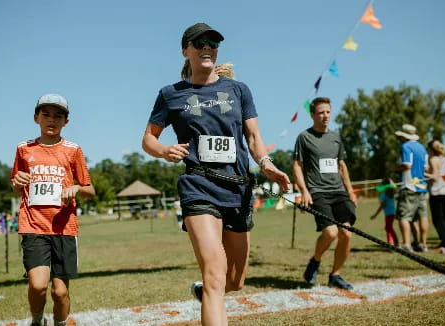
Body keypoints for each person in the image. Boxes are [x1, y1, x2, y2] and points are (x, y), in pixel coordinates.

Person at [142, 22, 290, 325]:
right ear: (186, 51)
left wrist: (267, 164)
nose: (207, 46)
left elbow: (253, 138)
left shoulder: (238, 90)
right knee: (214, 276)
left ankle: (207, 293)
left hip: (238, 189)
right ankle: (209, 291)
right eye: (199, 43)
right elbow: (148, 138)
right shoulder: (171, 94)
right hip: (198, 187)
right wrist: (164, 151)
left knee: (235, 281)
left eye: (212, 42)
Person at [10, 94, 95, 326]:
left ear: (66, 122)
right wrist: (17, 182)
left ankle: (60, 323)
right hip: (33, 224)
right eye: (46, 114)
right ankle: (37, 321)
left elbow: (90, 189)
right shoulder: (23, 148)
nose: (51, 120)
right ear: (36, 117)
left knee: (59, 292)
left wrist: (76, 188)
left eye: (58, 116)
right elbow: (17, 186)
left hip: (64, 227)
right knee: (37, 285)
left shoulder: (73, 150)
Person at [292, 97, 357, 290]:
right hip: (318, 192)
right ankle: (315, 261)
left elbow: (342, 165)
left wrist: (351, 191)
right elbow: (297, 165)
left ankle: (335, 275)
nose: (325, 116)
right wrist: (304, 191)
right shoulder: (304, 137)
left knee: (346, 234)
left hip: (339, 192)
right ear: (312, 115)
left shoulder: (336, 137)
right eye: (321, 112)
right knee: (330, 232)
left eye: (328, 111)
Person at [392, 124, 429, 252]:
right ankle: (423, 244)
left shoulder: (405, 147)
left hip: (409, 186)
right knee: (421, 217)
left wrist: (394, 168)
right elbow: (425, 168)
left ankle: (407, 245)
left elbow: (407, 165)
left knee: (404, 217)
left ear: (404, 136)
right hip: (422, 186)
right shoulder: (422, 148)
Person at [425, 140, 445, 254]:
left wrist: (423, 173)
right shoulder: (444, 158)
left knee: (438, 219)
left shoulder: (434, 159)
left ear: (430, 150)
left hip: (437, 192)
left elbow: (434, 177)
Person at [370, 178, 399, 246]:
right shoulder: (391, 192)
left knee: (389, 228)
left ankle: (396, 243)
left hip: (389, 214)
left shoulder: (384, 195)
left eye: (382, 183)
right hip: (391, 213)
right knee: (388, 228)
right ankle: (390, 242)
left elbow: (381, 206)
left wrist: (375, 215)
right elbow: (394, 187)